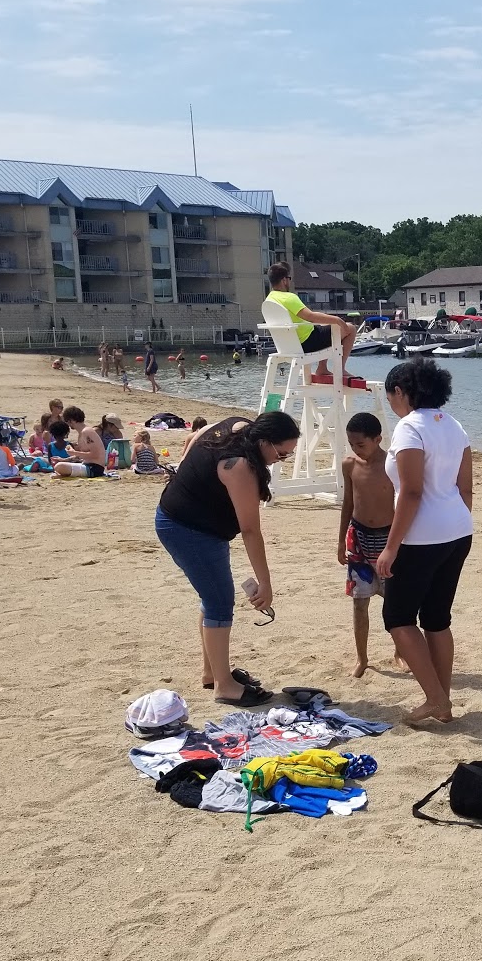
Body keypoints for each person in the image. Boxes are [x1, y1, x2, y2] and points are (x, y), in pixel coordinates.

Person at [154, 411, 301, 705]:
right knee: (220, 603)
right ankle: (224, 685)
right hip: (188, 530)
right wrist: (265, 583)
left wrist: (185, 472)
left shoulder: (240, 426)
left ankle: (212, 673)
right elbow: (250, 530)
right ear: (265, 442)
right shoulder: (241, 467)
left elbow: (198, 435)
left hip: (190, 521)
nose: (279, 461)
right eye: (281, 455)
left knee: (212, 597)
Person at [376, 359, 474, 724]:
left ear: (401, 391)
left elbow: (412, 493)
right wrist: (454, 522)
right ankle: (442, 700)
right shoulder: (455, 426)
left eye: (391, 397)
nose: (391, 404)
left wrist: (391, 546)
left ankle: (436, 699)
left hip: (422, 537)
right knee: (436, 619)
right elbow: (465, 488)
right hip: (458, 530)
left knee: (398, 618)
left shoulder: (409, 427)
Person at [338, 412, 395, 678]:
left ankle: (400, 651)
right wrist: (340, 540)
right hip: (358, 538)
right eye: (351, 444)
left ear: (377, 439)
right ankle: (362, 659)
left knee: (395, 602)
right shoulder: (349, 464)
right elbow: (348, 503)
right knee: (359, 603)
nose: (356, 449)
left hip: (388, 539)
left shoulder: (393, 464)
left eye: (361, 444)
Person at [265, 261, 357, 382]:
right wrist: (338, 320)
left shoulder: (269, 300)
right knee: (351, 328)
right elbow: (310, 316)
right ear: (284, 280)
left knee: (324, 326)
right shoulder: (289, 297)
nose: (290, 281)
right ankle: (340, 368)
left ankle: (322, 368)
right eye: (289, 278)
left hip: (288, 346)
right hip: (307, 343)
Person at [52, 406, 109, 478]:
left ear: (71, 421)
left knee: (59, 467)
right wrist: (64, 459)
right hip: (88, 465)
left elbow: (95, 454)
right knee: (60, 465)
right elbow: (83, 455)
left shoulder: (87, 432)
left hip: (94, 468)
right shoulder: (81, 433)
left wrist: (74, 452)